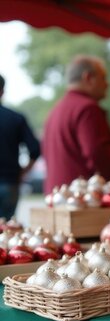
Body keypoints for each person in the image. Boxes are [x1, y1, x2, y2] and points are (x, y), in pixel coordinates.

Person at [42, 55, 110, 194]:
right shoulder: (88, 109)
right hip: (84, 201)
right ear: (88, 78)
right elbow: (98, 154)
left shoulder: (55, 110)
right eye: (103, 78)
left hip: (58, 197)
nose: (107, 84)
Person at [0, 74, 41, 218]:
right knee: (6, 230)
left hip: (9, 181)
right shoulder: (15, 118)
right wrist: (23, 172)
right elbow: (35, 150)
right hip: (9, 182)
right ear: (2, 91)